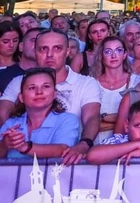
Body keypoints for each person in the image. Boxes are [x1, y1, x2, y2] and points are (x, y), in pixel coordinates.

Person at [0, 29, 101, 165]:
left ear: (67, 52)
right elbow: (3, 115)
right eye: (43, 49)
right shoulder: (18, 81)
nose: (49, 55)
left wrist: (84, 144)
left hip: (69, 163)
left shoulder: (86, 83)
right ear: (35, 52)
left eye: (57, 48)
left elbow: (91, 118)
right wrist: (7, 140)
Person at [0, 67, 80, 158]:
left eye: (46, 86)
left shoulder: (68, 120)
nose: (39, 92)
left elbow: (62, 149)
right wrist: (4, 145)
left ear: (55, 94)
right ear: (21, 97)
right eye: (32, 88)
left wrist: (24, 147)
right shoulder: (11, 123)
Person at [92, 36, 140, 142]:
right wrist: (123, 121)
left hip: (125, 147)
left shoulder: (138, 82)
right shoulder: (90, 83)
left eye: (119, 50)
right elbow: (85, 123)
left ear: (125, 55)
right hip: (95, 145)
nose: (114, 55)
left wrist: (102, 119)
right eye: (108, 51)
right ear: (101, 56)